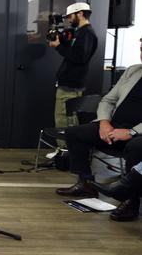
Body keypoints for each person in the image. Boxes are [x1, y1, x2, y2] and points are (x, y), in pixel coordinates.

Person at [56, 38, 142, 222]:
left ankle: (131, 202)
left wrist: (131, 132)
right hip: (113, 126)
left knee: (136, 147)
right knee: (75, 133)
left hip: (137, 134)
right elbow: (108, 100)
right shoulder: (133, 70)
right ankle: (85, 183)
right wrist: (104, 122)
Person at [47, 2, 98, 147]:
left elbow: (79, 57)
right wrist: (59, 40)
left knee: (65, 119)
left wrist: (58, 47)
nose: (69, 19)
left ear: (80, 14)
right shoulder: (80, 32)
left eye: (70, 16)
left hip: (71, 85)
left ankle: (65, 152)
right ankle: (67, 152)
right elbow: (73, 49)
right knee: (65, 118)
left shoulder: (86, 33)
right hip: (69, 83)